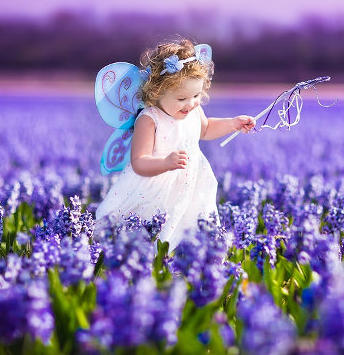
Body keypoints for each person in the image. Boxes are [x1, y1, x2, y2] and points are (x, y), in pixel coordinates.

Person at [95, 39, 255, 249]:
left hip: (190, 183)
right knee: (152, 231)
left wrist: (232, 123)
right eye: (181, 98)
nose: (191, 104)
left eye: (196, 95)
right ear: (157, 92)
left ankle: (187, 261)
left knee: (190, 225)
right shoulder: (149, 119)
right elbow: (139, 162)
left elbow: (206, 129)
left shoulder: (193, 111)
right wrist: (165, 162)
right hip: (155, 186)